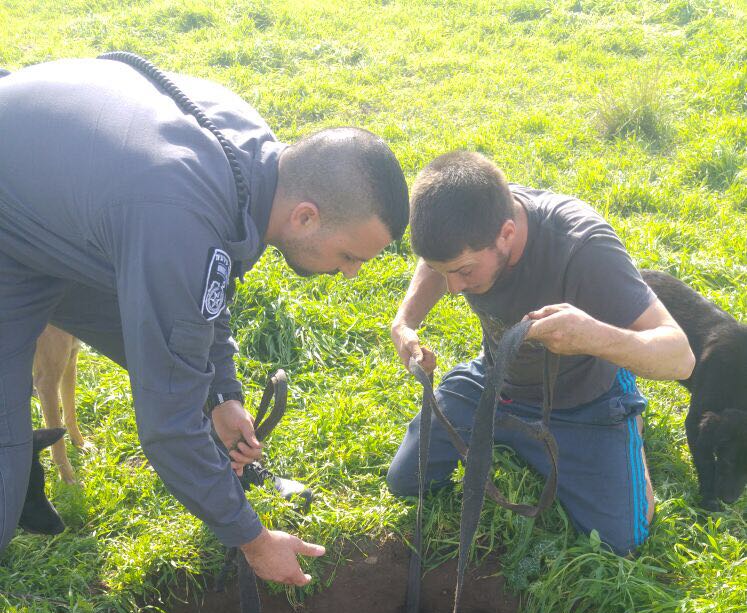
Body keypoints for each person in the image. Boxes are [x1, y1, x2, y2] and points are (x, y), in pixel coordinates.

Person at [0, 56, 409, 584]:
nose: (351, 275)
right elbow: (166, 427)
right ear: (305, 216)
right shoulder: (179, 213)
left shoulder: (256, 165)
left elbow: (205, 291)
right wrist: (254, 540)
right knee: (5, 465)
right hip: (15, 224)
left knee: (178, 364)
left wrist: (222, 395)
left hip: (61, 209)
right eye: (350, 256)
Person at [388, 151, 694, 556]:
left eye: (464, 271)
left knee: (620, 540)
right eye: (445, 272)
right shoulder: (468, 220)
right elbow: (439, 264)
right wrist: (404, 322)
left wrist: (591, 337)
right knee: (407, 480)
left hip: (583, 397)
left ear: (507, 234)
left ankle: (626, 427)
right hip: (496, 378)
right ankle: (515, 430)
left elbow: (681, 355)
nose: (455, 289)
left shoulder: (583, 247)